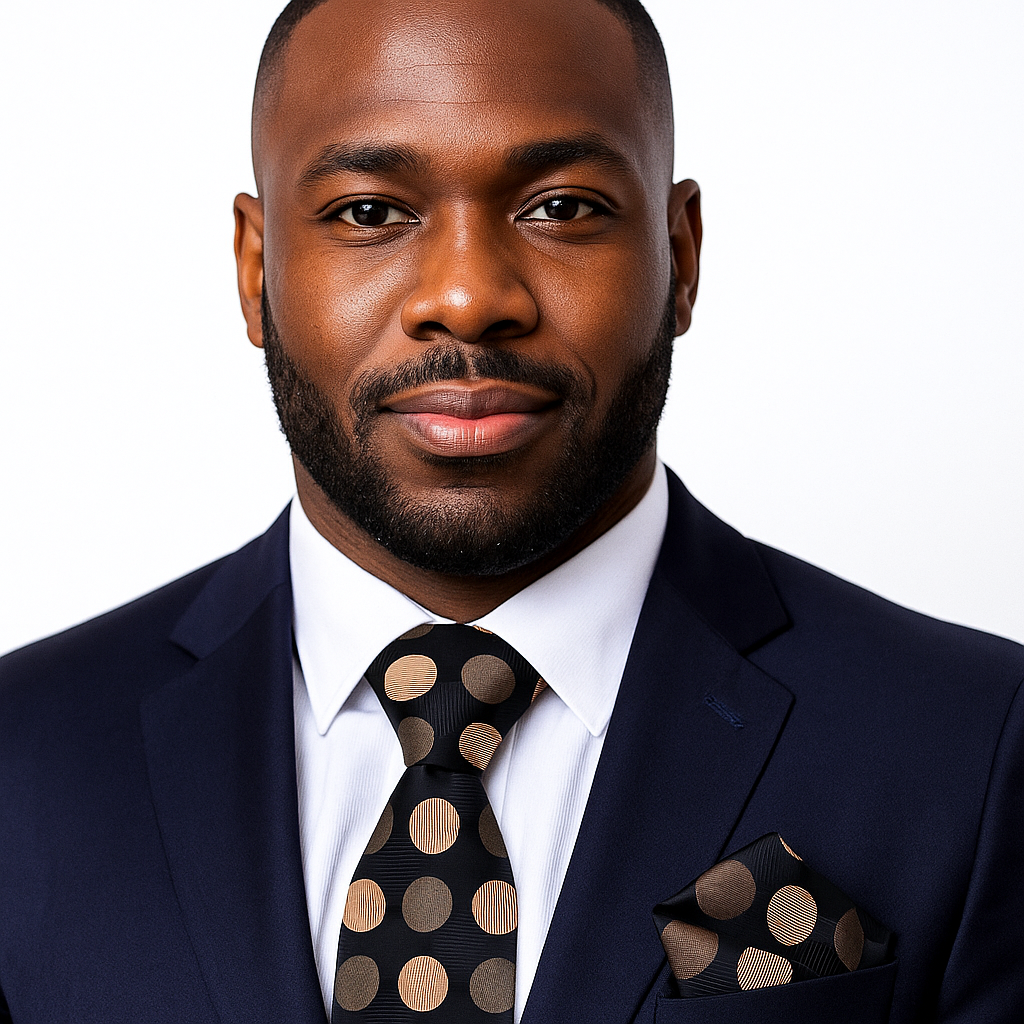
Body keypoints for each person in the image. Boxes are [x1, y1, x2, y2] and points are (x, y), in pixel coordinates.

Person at [0, 0, 1021, 1021]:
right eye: (370, 213)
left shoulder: (973, 743)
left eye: (561, 207)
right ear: (255, 267)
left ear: (680, 255)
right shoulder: (23, 753)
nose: (467, 295)